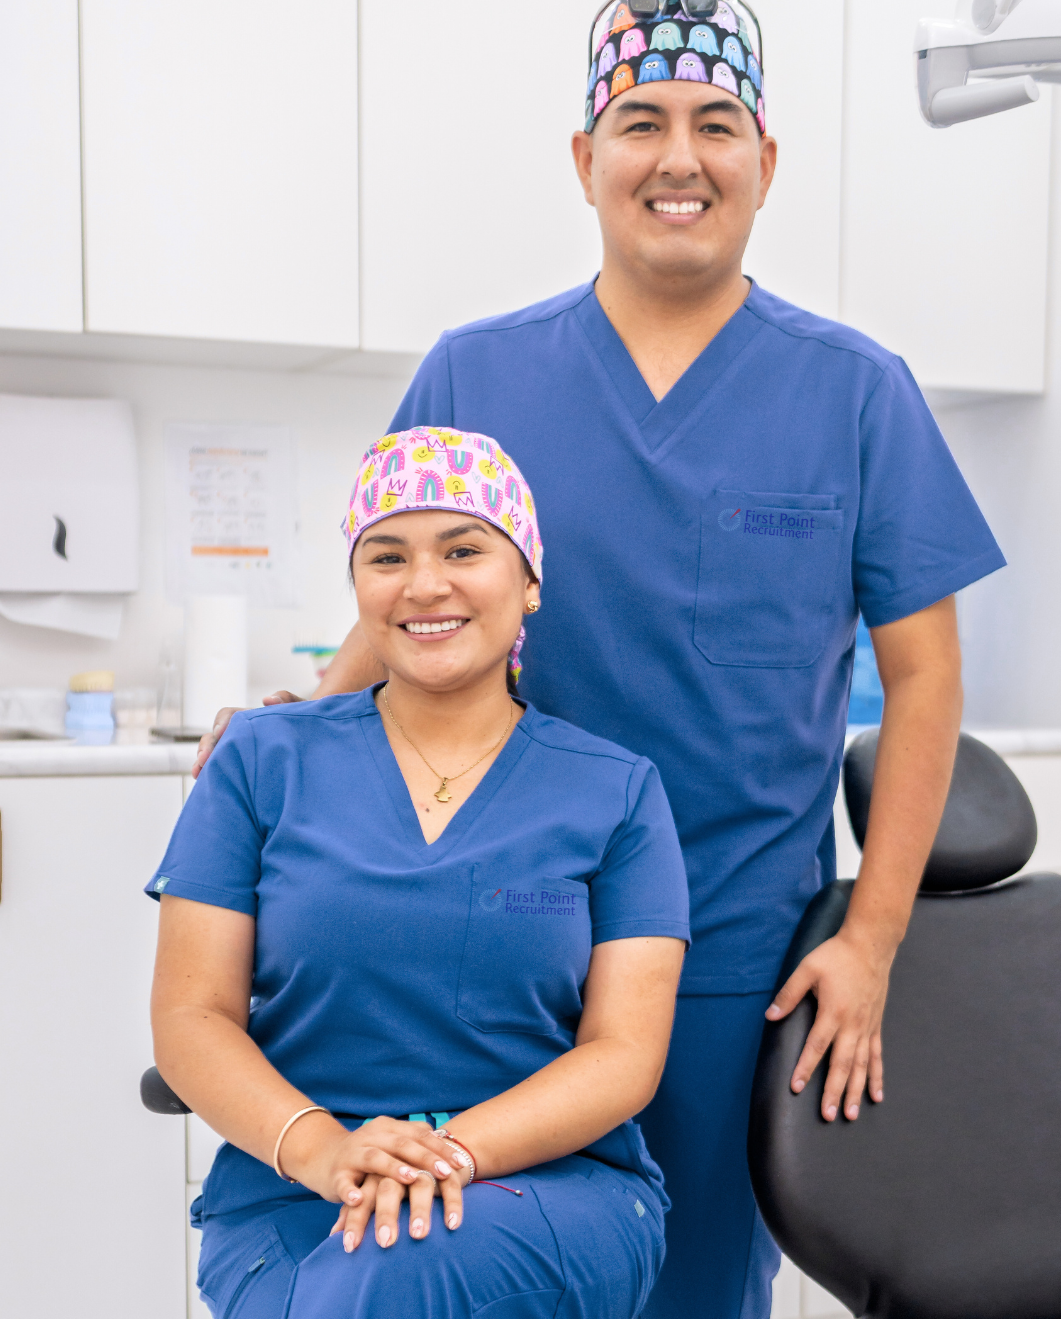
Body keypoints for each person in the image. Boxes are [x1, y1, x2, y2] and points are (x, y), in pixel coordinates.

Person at [194, 0, 1006, 1318]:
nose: (678, 158)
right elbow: (410, 594)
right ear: (585, 159)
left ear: (766, 162)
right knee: (430, 1270)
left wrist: (870, 939)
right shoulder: (476, 375)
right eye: (639, 121)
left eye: (717, 123)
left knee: (688, 1291)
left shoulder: (857, 393)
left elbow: (925, 679)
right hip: (482, 951)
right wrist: (292, 723)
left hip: (727, 951)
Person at [150, 428, 690, 1319]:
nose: (424, 584)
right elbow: (189, 1014)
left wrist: (445, 1153)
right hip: (296, 1188)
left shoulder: (617, 792)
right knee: (363, 1272)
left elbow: (623, 1054)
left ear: (530, 582)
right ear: (358, 585)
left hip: (545, 1185)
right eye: (387, 555)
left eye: (465, 549)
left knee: (388, 1270)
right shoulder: (258, 762)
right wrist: (326, 1151)